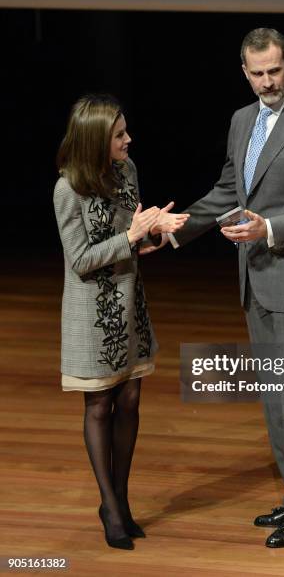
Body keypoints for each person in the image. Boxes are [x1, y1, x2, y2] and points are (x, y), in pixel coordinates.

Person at [163, 28, 284, 547]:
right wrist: (179, 226)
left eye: (275, 70)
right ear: (244, 72)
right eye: (257, 73)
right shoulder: (241, 120)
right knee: (274, 397)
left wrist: (269, 229)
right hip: (255, 280)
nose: (267, 81)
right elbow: (230, 189)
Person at [53, 94, 189, 550]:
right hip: (93, 312)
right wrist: (130, 236)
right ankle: (110, 507)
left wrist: (151, 232)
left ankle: (122, 501)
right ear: (96, 140)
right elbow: (80, 260)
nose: (129, 140)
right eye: (119, 135)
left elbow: (128, 232)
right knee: (100, 406)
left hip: (130, 302)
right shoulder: (67, 189)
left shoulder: (127, 171)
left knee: (130, 400)